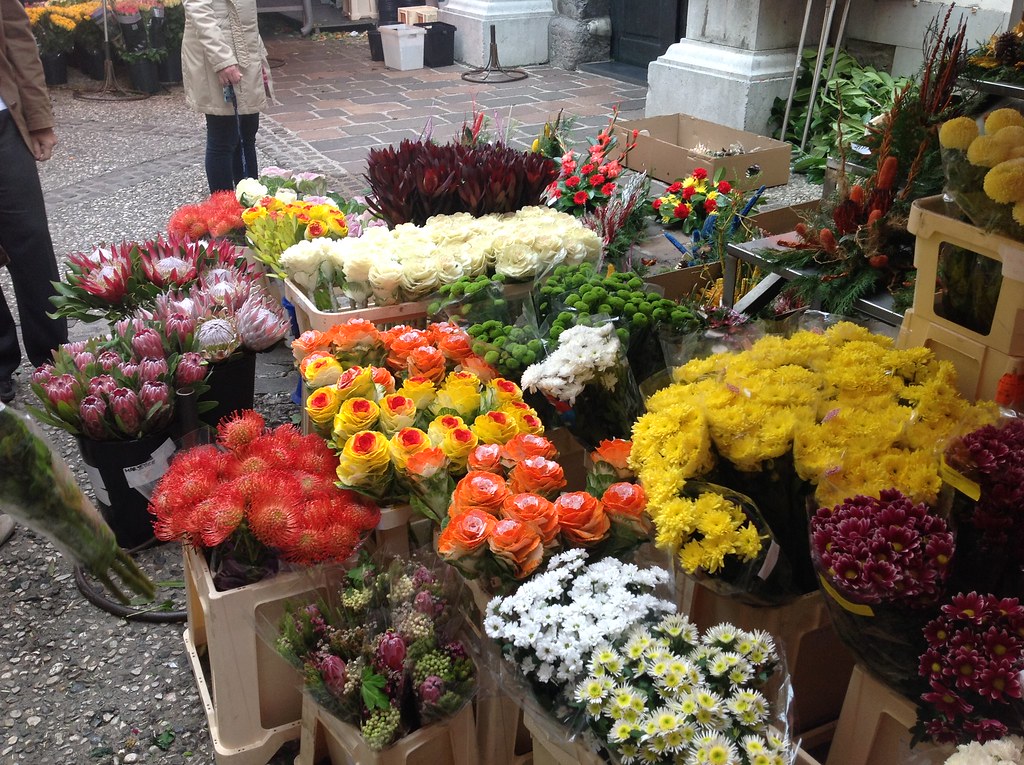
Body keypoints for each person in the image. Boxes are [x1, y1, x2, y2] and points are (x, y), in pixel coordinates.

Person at [0, 0, 69, 409]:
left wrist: (40, 119)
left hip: (3, 127)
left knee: (31, 242)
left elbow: (19, 43)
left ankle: (54, 358)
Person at [181, 0, 272, 193]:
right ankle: (224, 213)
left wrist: (259, 52)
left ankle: (251, 207)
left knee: (247, 131)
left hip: (244, 49)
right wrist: (222, 60)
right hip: (219, 53)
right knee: (224, 135)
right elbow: (199, 9)